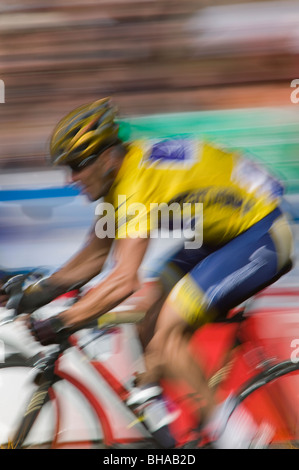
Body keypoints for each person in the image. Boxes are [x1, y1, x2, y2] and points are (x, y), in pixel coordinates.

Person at [2, 97, 294, 448]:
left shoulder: (135, 186)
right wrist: (32, 295)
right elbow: (91, 260)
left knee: (169, 327)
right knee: (149, 314)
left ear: (109, 157)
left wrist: (63, 322)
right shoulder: (120, 181)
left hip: (260, 233)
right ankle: (164, 413)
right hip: (220, 234)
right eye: (68, 167)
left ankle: (235, 439)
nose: (73, 177)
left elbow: (125, 280)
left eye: (79, 164)